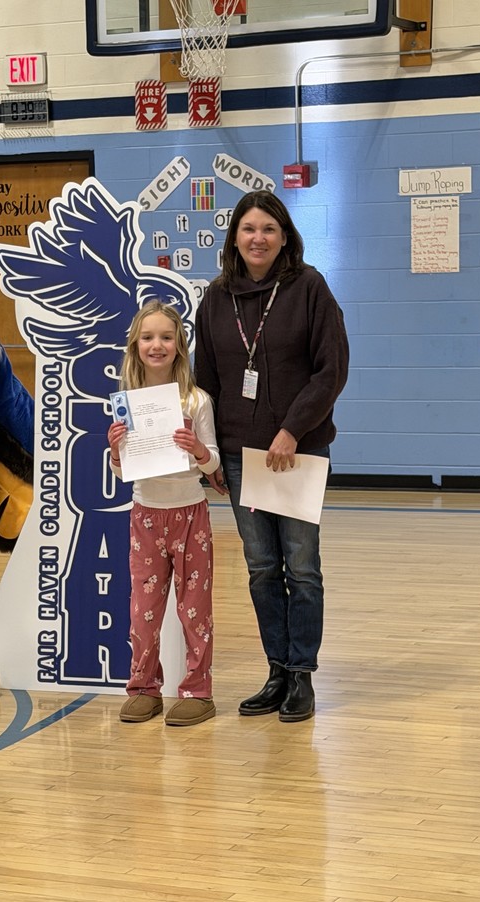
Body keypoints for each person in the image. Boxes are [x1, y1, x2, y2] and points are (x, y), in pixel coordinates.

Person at [194, 190, 349, 723]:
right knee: (262, 567)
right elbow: (205, 384)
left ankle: (302, 674)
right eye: (248, 229)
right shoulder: (215, 299)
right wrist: (211, 457)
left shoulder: (309, 289)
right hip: (241, 456)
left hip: (298, 451)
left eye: (268, 229)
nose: (257, 238)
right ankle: (276, 670)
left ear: (285, 237)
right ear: (234, 238)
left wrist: (290, 429)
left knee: (302, 566)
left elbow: (330, 372)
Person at [108, 300, 220, 726]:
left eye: (167, 337)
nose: (157, 345)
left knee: (195, 608)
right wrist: (116, 450)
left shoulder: (196, 400)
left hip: (191, 513)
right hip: (146, 515)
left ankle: (197, 690)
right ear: (136, 344)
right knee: (144, 609)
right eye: (149, 337)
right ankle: (143, 688)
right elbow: (121, 472)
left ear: (180, 345)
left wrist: (199, 450)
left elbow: (213, 469)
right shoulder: (126, 404)